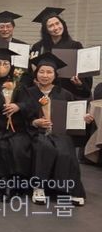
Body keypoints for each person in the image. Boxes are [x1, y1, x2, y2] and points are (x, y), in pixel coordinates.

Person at [26, 52, 88, 206]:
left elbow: (74, 113)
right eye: (41, 71)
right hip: (36, 132)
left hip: (59, 133)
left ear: (55, 75)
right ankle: (38, 188)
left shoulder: (64, 93)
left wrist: (84, 117)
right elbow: (21, 116)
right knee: (44, 146)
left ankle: (72, 190)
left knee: (65, 149)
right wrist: (34, 122)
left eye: (49, 72)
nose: (45, 75)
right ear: (36, 73)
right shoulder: (27, 92)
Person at [0, 47, 35, 198]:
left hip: (15, 128)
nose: (2, 66)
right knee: (0, 145)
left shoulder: (17, 84)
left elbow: (30, 104)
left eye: (6, 63)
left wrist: (18, 106)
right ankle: (3, 184)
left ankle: (17, 183)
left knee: (18, 146)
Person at [29, 7, 92, 101]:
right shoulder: (38, 47)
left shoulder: (75, 46)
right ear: (46, 30)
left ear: (63, 24)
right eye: (51, 26)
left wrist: (80, 83)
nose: (56, 28)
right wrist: (35, 79)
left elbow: (85, 74)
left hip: (69, 94)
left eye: (57, 23)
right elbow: (31, 72)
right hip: (44, 95)